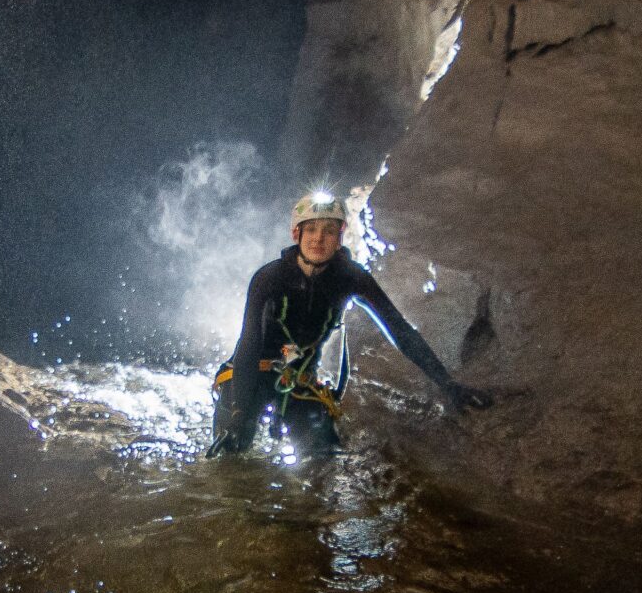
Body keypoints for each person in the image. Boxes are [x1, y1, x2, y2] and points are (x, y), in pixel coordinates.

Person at [208, 191, 493, 457]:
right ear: (297, 234)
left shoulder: (351, 278)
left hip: (298, 381)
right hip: (251, 373)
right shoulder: (270, 278)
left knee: (323, 456)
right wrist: (238, 413)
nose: (319, 239)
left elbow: (399, 330)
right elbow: (248, 343)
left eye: (329, 231)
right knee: (231, 449)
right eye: (311, 230)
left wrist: (446, 383)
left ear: (339, 237)